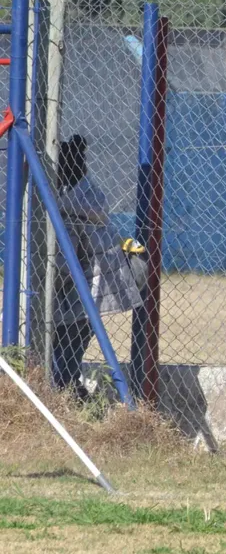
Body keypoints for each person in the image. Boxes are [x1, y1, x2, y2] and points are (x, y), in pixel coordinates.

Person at [51, 134, 141, 399]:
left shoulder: (66, 212)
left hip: (82, 293)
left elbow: (59, 266)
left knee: (62, 351)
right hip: (93, 293)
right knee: (69, 349)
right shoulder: (89, 198)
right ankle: (67, 387)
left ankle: (63, 391)